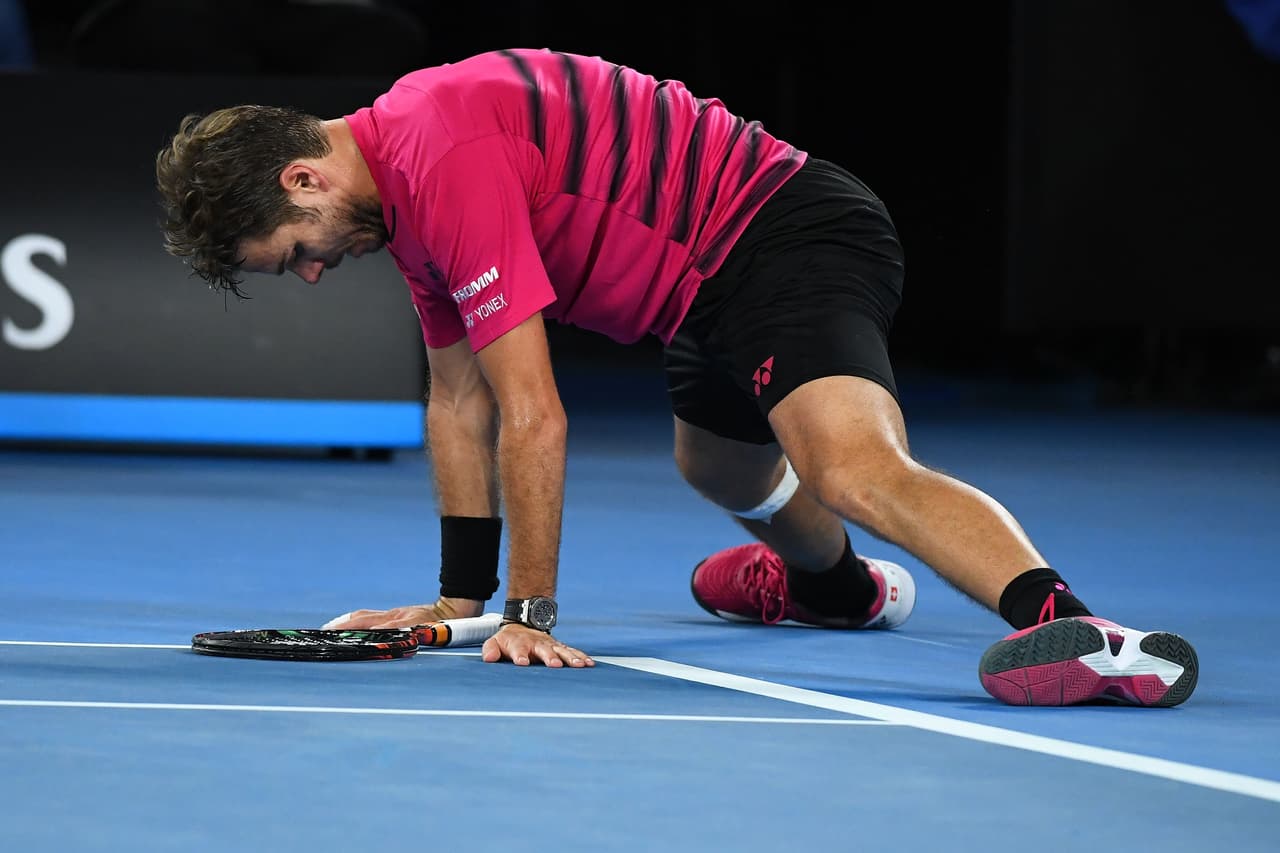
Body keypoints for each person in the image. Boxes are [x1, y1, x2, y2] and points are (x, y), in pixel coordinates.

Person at [155, 48, 1198, 705]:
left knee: (847, 469)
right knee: (716, 465)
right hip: (701, 291)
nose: (311, 270)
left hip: (784, 234)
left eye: (295, 248)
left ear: (305, 176)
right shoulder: (402, 201)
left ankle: (1090, 633)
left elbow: (531, 412)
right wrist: (452, 599)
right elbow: (457, 399)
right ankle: (837, 593)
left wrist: (530, 613)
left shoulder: (440, 149)